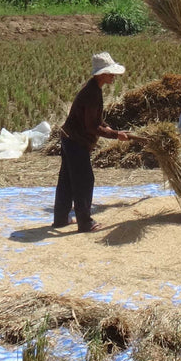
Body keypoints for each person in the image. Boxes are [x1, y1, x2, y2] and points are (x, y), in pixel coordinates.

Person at [54, 51, 130, 232]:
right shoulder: (91, 93)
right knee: (84, 180)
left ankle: (60, 219)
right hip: (75, 141)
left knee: (67, 180)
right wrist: (115, 134)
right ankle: (85, 222)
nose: (113, 76)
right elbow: (91, 127)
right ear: (101, 74)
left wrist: (109, 128)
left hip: (69, 138)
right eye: (110, 73)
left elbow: (96, 120)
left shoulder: (94, 89)